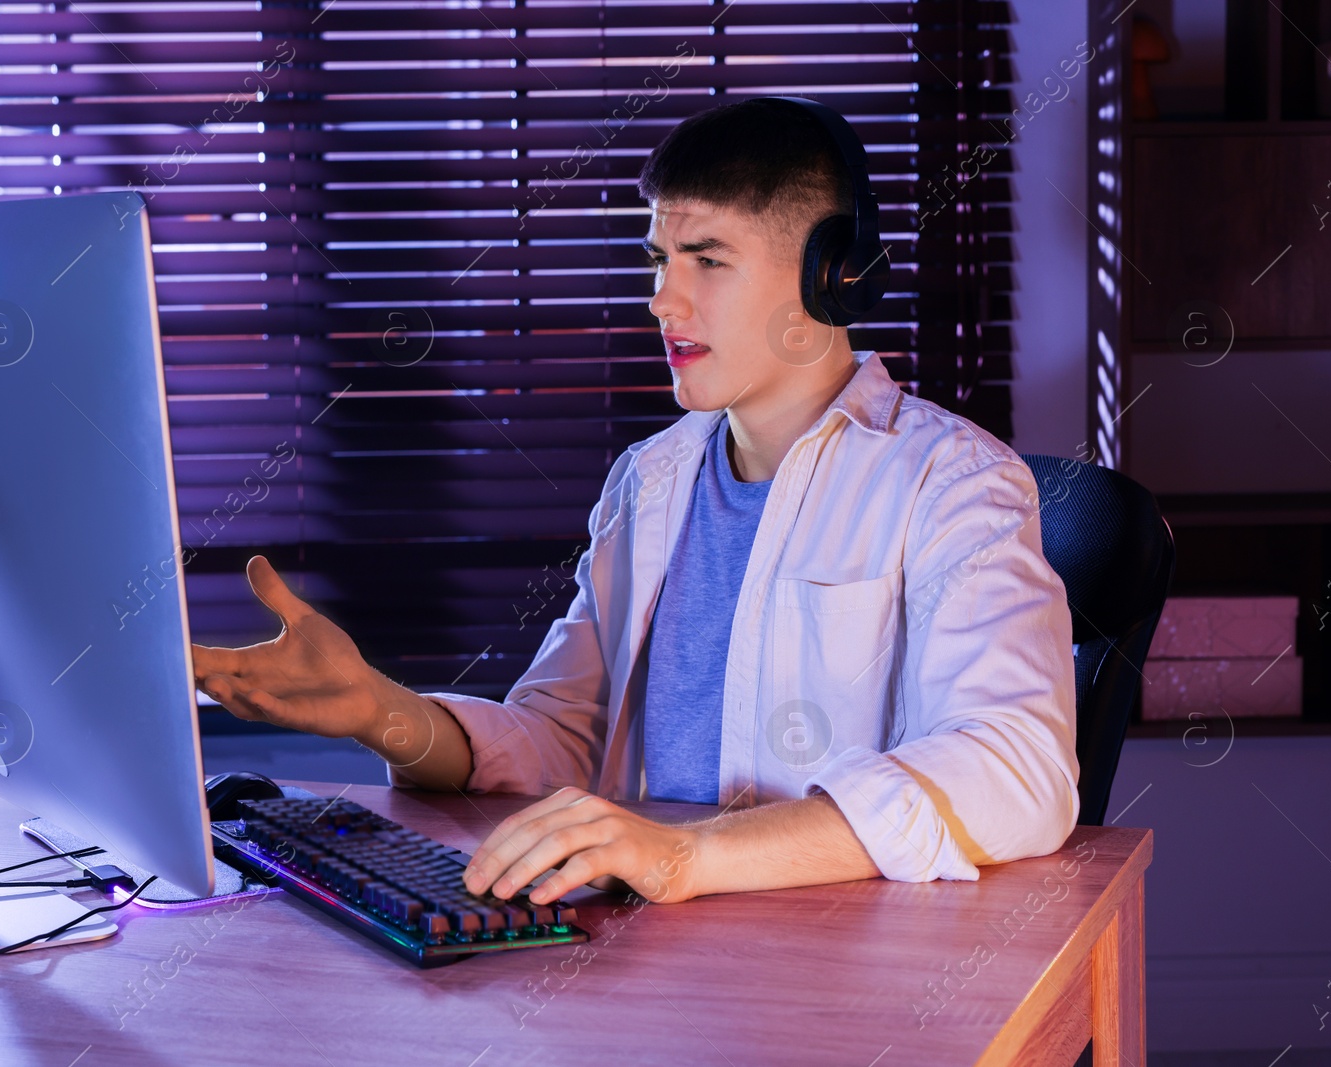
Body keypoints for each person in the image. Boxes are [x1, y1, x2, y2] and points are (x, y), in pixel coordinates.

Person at [192, 98, 1078, 910]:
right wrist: (378, 711)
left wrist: (684, 856)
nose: (662, 299)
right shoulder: (648, 480)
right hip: (648, 950)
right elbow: (561, 739)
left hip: (840, 965)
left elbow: (1021, 769)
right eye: (660, 259)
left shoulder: (953, 484)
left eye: (708, 260)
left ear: (831, 276)